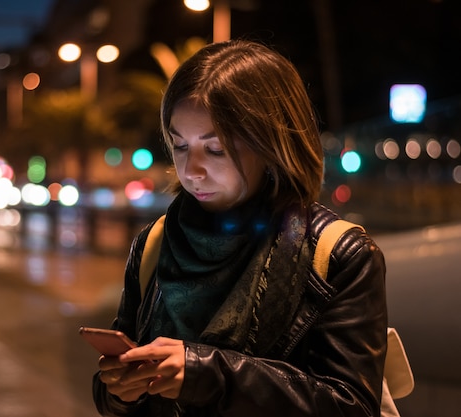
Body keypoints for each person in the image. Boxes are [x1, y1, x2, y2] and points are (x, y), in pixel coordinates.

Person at [92, 39, 387, 417]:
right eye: (180, 146)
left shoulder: (341, 256)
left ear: (272, 144)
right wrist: (118, 389)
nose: (191, 170)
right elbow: (110, 395)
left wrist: (207, 373)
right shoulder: (155, 241)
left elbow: (353, 406)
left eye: (215, 150)